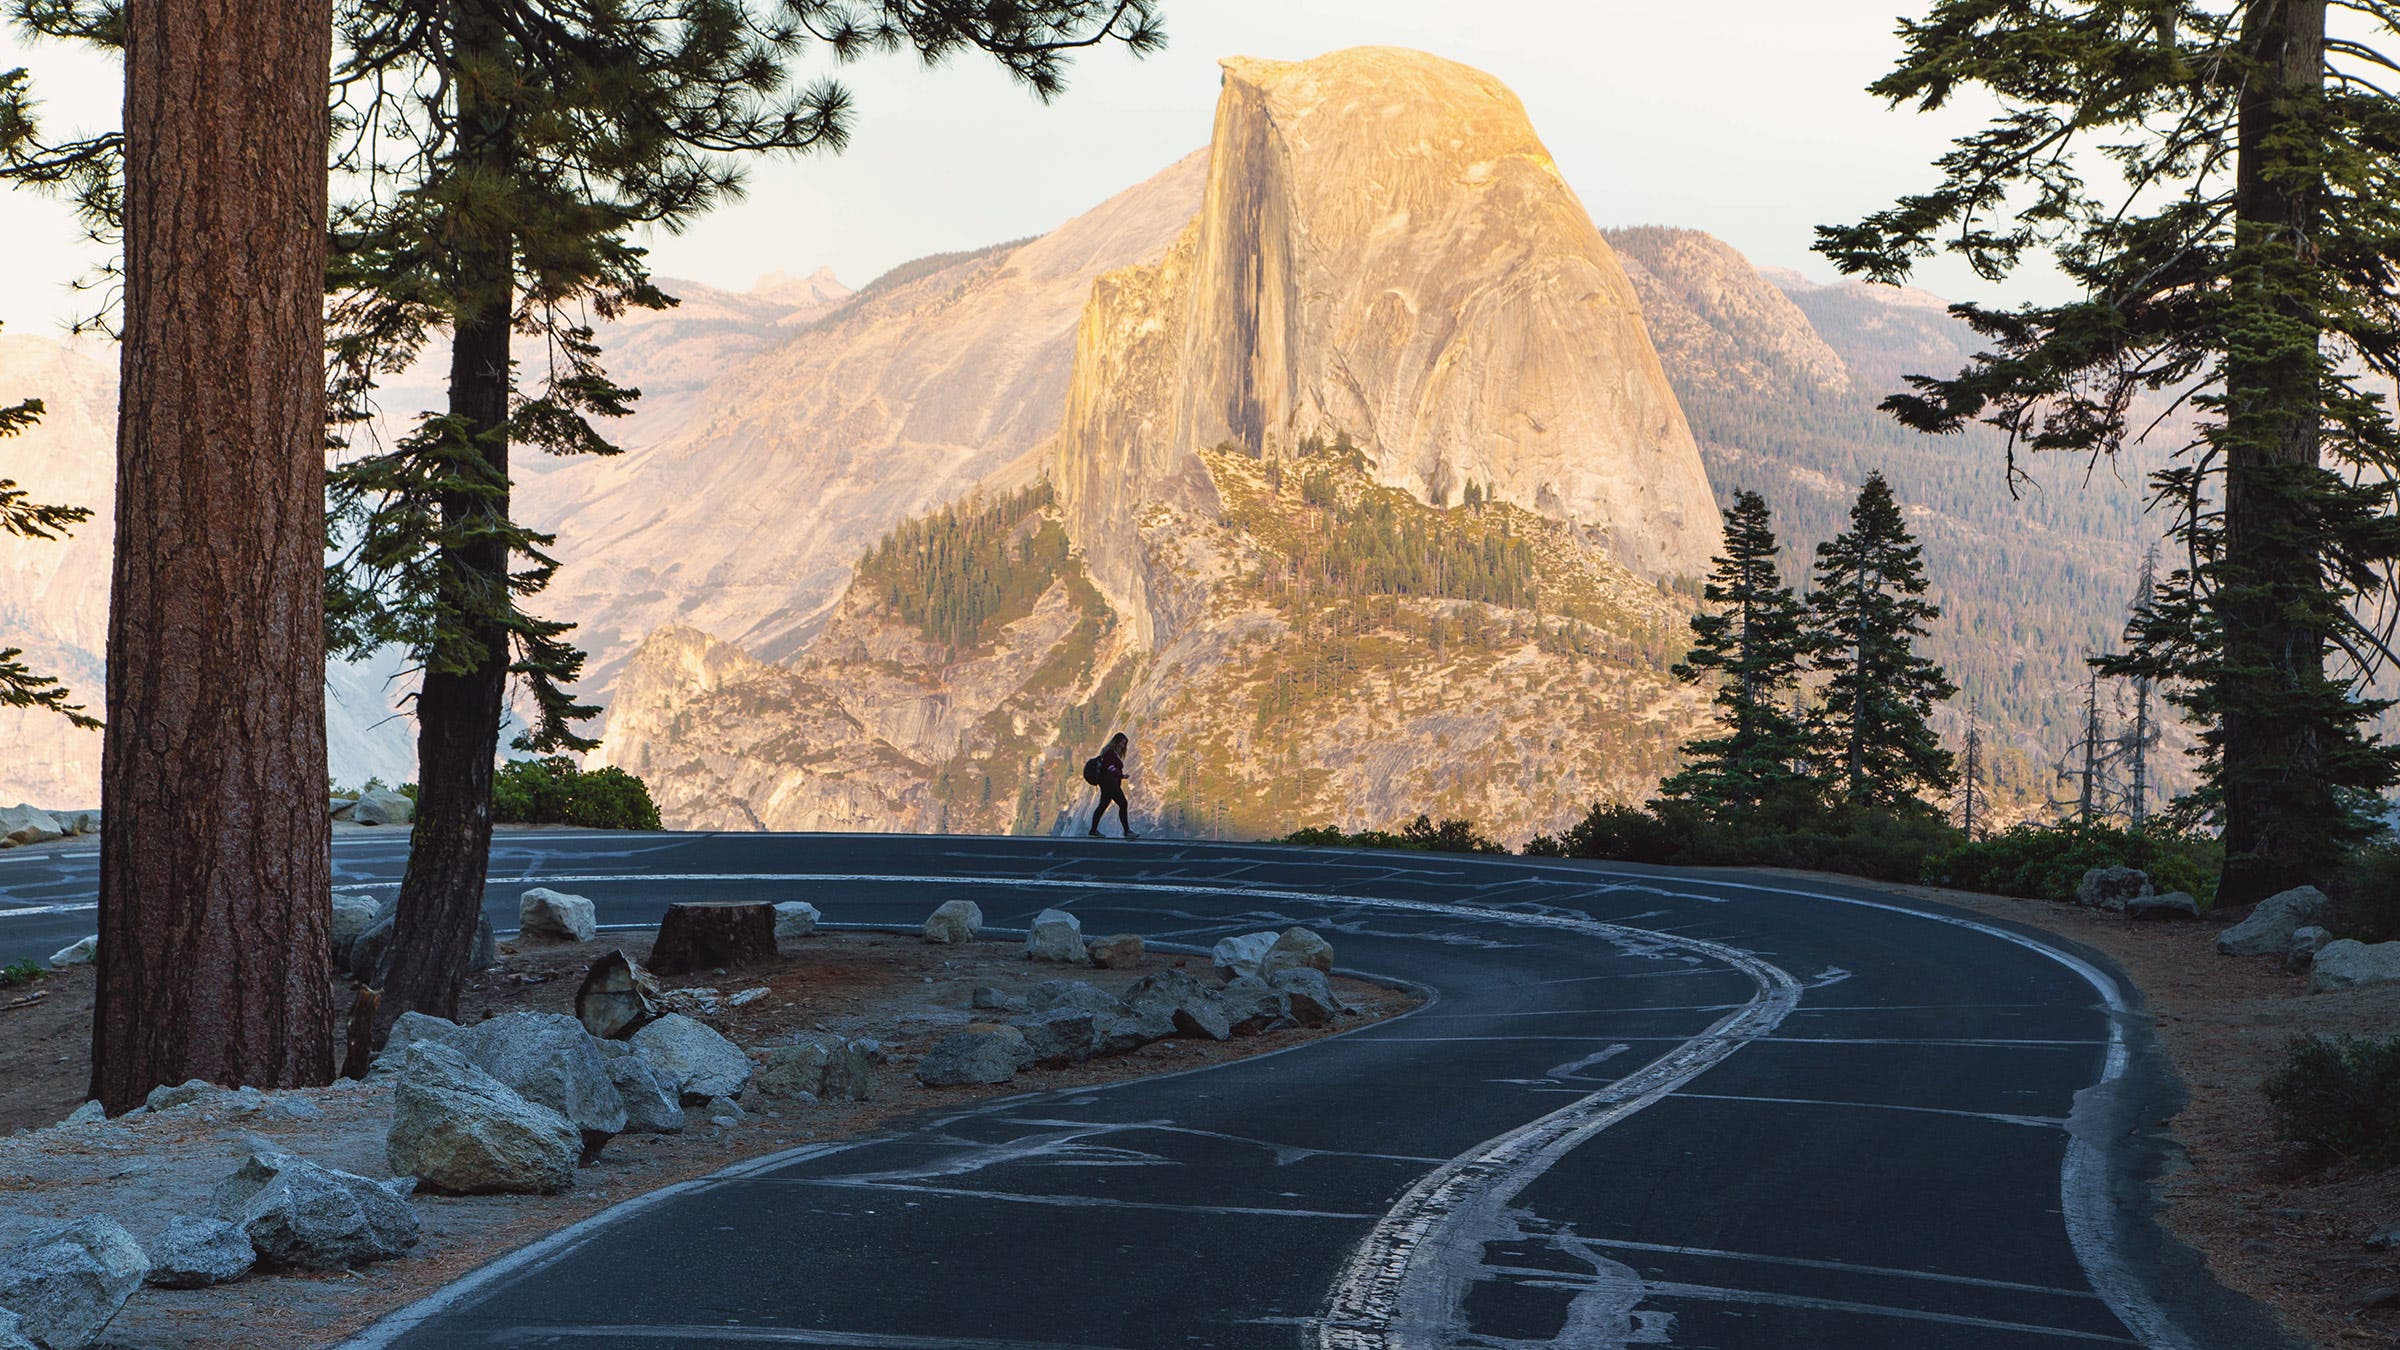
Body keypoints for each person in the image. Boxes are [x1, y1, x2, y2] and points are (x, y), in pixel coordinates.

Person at [1084, 732, 1137, 839]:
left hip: (1107, 784)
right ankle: (1127, 831)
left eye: (1124, 744)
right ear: (1116, 742)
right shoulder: (1110, 754)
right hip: (1110, 784)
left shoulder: (1109, 753)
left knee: (1102, 806)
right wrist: (1121, 775)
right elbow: (1110, 767)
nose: (1123, 746)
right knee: (1123, 804)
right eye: (1122, 743)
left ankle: (1093, 831)